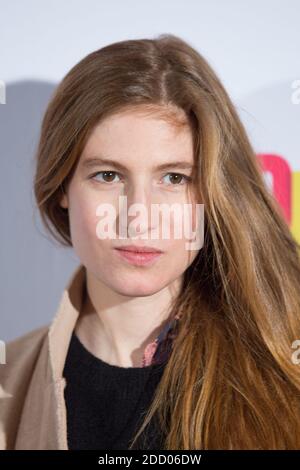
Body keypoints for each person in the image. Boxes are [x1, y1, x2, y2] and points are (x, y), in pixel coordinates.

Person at [1, 33, 300, 450]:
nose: (139, 217)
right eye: (108, 175)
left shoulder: (288, 365)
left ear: (213, 192)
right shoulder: (7, 381)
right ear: (63, 186)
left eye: (174, 178)